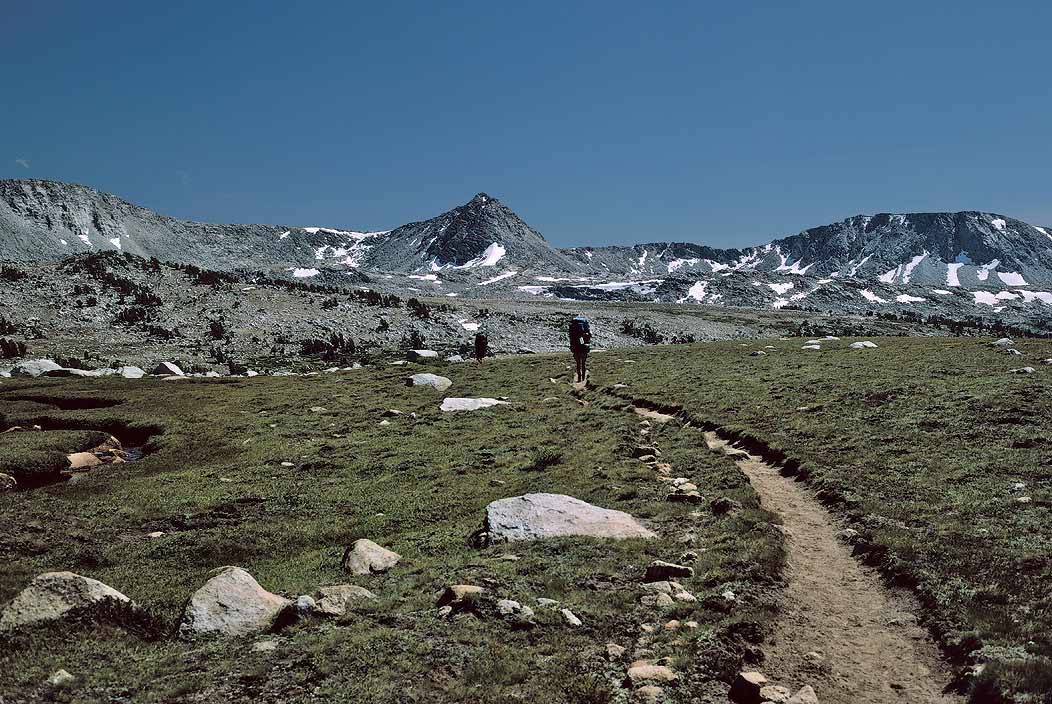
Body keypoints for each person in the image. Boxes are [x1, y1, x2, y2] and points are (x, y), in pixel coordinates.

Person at [569, 315, 591, 383]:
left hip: (576, 348)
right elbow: (589, 337)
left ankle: (579, 377)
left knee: (578, 363)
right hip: (583, 348)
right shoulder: (584, 330)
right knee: (583, 363)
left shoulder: (574, 332)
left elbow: (571, 338)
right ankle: (583, 378)